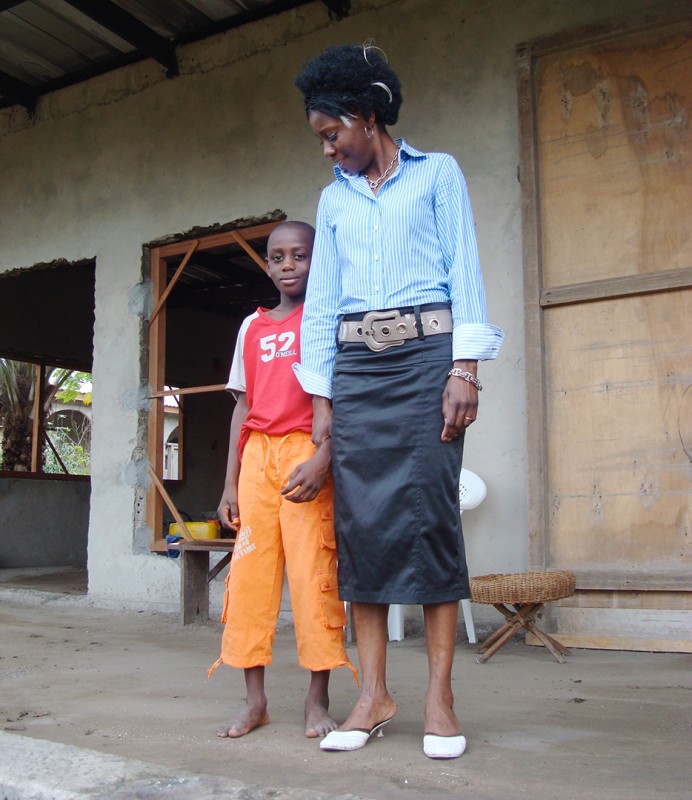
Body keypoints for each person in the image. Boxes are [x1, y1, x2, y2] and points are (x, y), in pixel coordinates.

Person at [293, 43, 504, 759]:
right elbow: (321, 306)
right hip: (356, 369)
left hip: (425, 361)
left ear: (367, 114)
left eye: (332, 135)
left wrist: (465, 369)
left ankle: (440, 699)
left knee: (428, 522)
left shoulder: (437, 174)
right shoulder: (333, 200)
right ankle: (375, 693)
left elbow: (465, 271)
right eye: (321, 139)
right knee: (364, 527)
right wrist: (322, 401)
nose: (328, 150)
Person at [208, 220, 356, 740]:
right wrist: (230, 483)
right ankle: (255, 702)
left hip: (306, 453)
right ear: (267, 264)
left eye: (300, 255)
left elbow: (344, 402)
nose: (287, 265)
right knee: (249, 578)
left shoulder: (331, 320)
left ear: (321, 260)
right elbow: (241, 408)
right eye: (277, 257)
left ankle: (318, 702)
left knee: (315, 577)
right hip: (256, 462)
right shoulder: (252, 327)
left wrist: (325, 458)